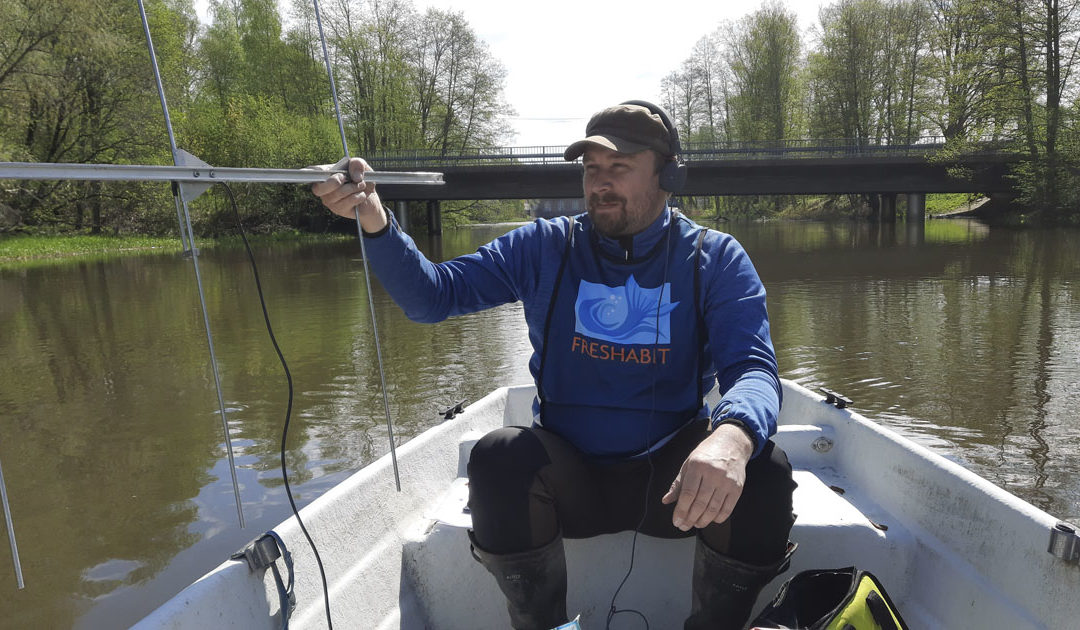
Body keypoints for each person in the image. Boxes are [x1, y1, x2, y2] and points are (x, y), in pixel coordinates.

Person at [313, 102, 797, 630]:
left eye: (619, 168)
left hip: (674, 489)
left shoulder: (716, 258)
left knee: (763, 469)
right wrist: (374, 219)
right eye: (591, 170)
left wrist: (731, 436)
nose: (600, 185)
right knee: (499, 457)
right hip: (569, 482)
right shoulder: (545, 245)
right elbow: (433, 297)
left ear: (668, 173)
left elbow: (752, 368)